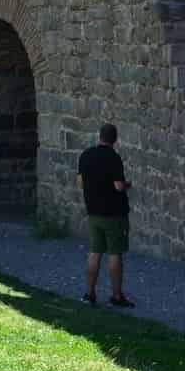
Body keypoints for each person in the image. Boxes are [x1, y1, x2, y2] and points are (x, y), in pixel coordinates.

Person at [77, 123, 135, 308]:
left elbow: (80, 181)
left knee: (95, 252)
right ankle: (117, 295)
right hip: (114, 213)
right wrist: (128, 185)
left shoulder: (86, 155)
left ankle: (89, 293)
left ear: (99, 136)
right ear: (115, 139)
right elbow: (118, 185)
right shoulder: (113, 157)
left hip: (93, 211)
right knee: (114, 253)